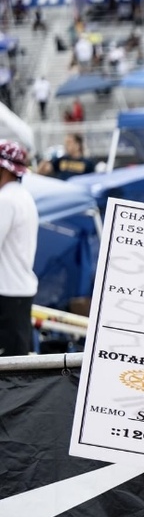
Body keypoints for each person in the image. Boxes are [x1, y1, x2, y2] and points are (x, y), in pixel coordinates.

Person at [0, 141, 38, 357]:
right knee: (18, 372)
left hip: (6, 295)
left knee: (8, 376)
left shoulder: (5, 200)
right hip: (19, 293)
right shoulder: (23, 196)